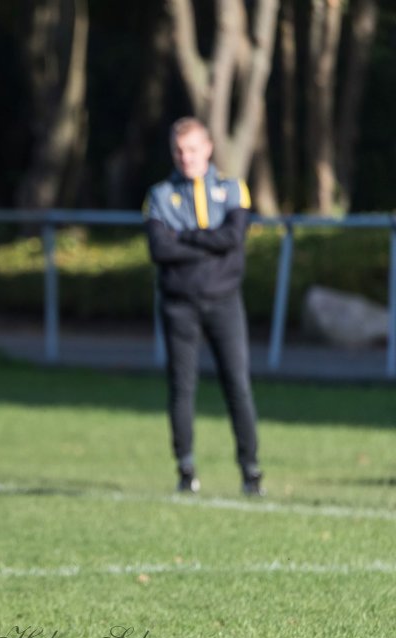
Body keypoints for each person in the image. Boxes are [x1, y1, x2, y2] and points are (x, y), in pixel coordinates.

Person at [144, 117, 264, 497]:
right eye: (179, 151)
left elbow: (233, 238)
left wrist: (187, 237)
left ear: (208, 148)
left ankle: (251, 470)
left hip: (225, 303)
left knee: (238, 386)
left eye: (193, 149)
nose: (186, 157)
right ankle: (186, 469)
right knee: (182, 388)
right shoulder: (160, 196)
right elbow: (160, 249)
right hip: (179, 306)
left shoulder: (231, 189)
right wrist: (206, 245)